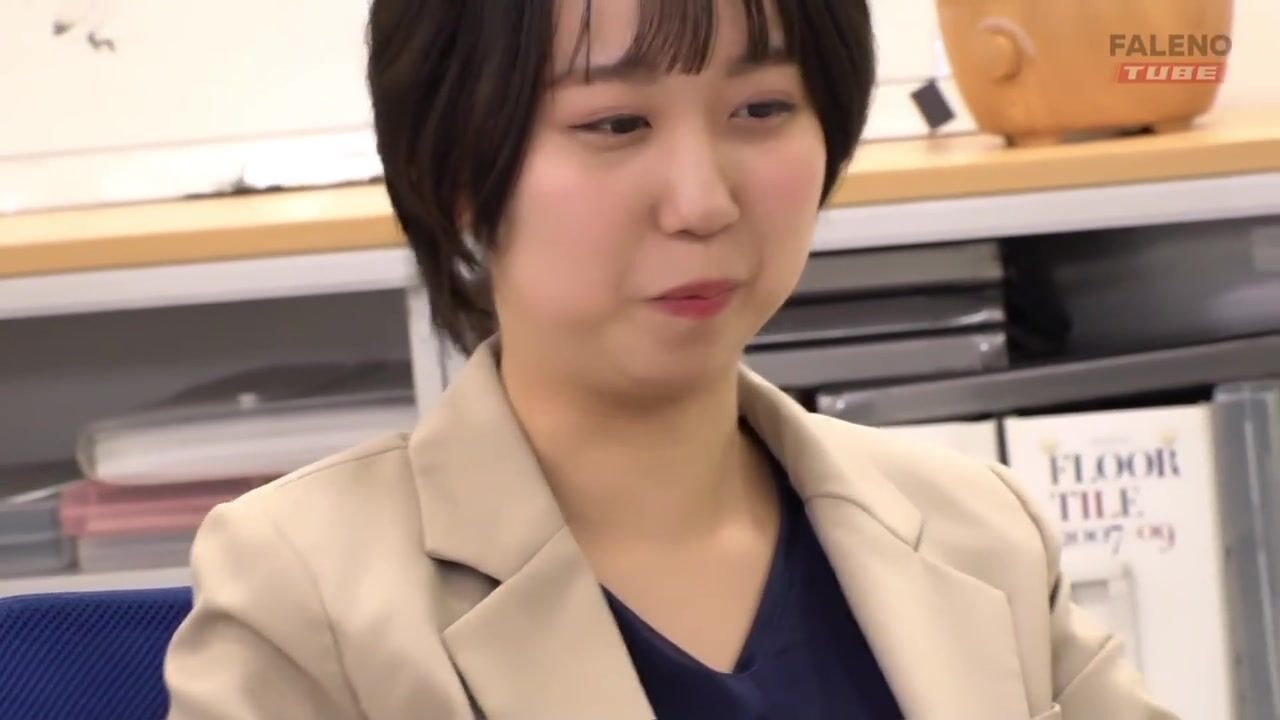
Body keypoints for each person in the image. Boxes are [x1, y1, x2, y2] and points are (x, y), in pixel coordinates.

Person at [163, 1, 1178, 718]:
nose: (702, 201)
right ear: (456, 168)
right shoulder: (306, 591)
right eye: (615, 123)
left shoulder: (979, 533)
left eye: (761, 110)